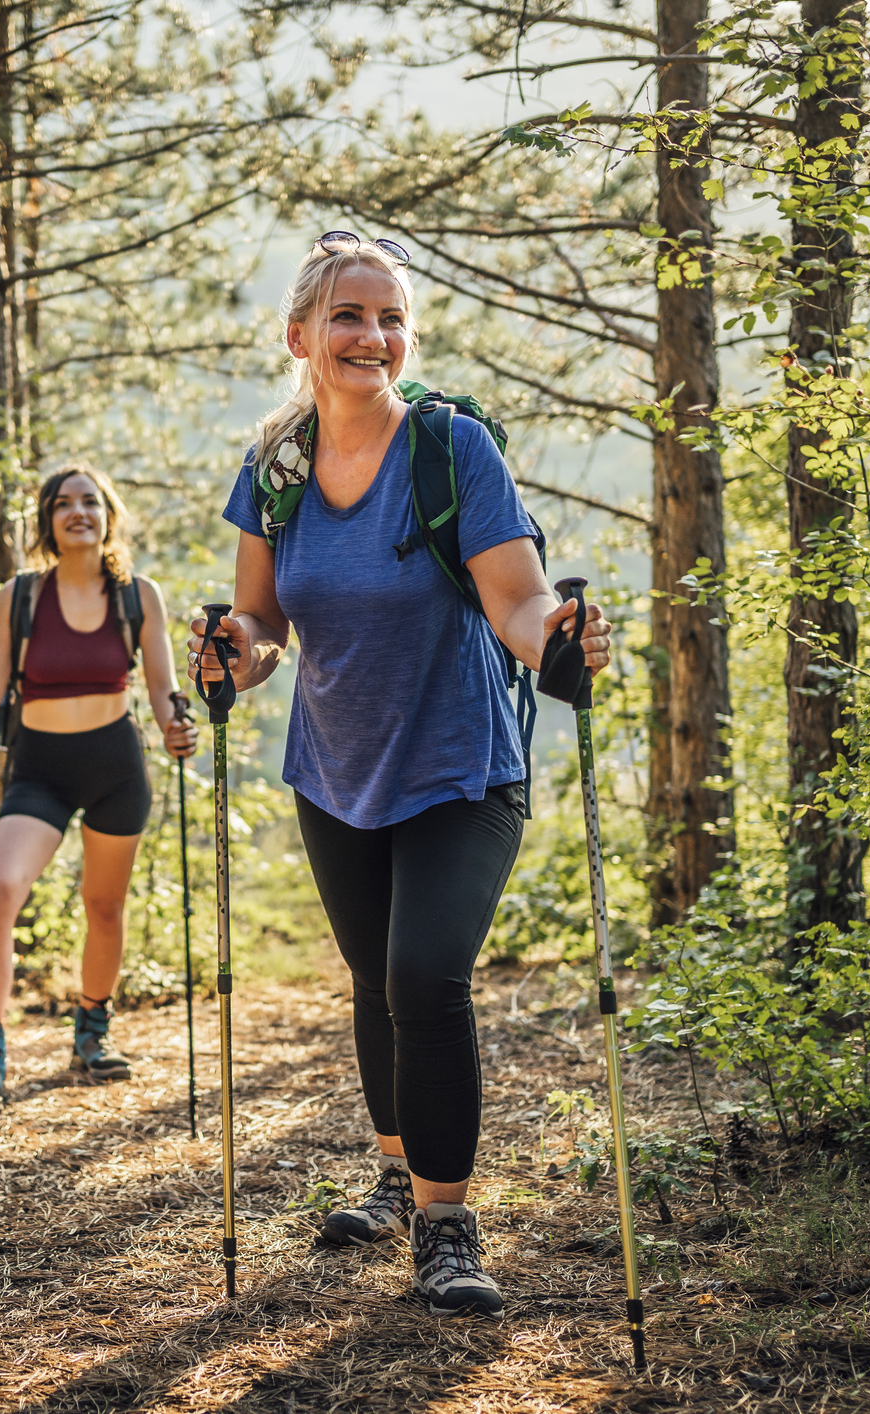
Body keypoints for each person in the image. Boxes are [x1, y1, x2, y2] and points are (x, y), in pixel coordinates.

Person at [190, 233, 612, 1318]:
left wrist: (554, 644)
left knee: (425, 973)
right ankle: (395, 1170)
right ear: (300, 336)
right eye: (347, 316)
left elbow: (515, 600)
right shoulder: (275, 466)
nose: (372, 336)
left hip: (460, 765)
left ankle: (447, 1224)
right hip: (334, 767)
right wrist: (238, 648)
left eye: (389, 318)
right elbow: (266, 616)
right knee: (376, 980)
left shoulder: (451, 448)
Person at [0, 464, 198, 1114]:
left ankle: (92, 1032)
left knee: (103, 906)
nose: (78, 512)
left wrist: (176, 730)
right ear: (47, 522)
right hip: (39, 766)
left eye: (89, 502)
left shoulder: (136, 596)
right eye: (63, 504)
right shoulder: (18, 596)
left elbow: (159, 689)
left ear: (107, 515)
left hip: (114, 766)